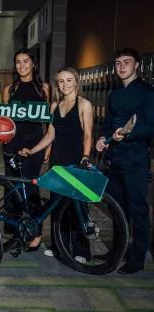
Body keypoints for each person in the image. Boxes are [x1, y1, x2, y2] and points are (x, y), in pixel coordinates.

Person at [20, 67, 93, 259]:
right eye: (61, 81)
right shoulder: (54, 106)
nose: (65, 84)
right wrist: (33, 150)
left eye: (69, 80)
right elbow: (50, 135)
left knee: (77, 205)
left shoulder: (84, 105)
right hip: (57, 161)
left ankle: (81, 250)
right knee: (56, 204)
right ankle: (59, 247)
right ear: (57, 84)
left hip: (76, 159)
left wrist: (85, 158)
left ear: (76, 82)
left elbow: (87, 135)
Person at [96, 48, 154, 274]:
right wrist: (102, 138)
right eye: (118, 63)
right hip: (114, 159)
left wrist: (129, 132)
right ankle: (118, 250)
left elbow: (150, 127)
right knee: (116, 208)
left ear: (137, 65)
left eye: (126, 62)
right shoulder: (115, 93)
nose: (121, 67)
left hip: (135, 159)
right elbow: (108, 122)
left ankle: (137, 257)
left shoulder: (147, 92)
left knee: (137, 209)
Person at [3, 48, 50, 211]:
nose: (21, 66)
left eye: (26, 61)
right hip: (12, 143)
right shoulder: (9, 90)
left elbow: (49, 122)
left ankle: (33, 232)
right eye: (18, 62)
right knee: (12, 186)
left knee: (31, 185)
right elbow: (5, 121)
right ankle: (14, 229)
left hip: (34, 144)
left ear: (33, 64)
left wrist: (48, 146)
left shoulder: (44, 89)